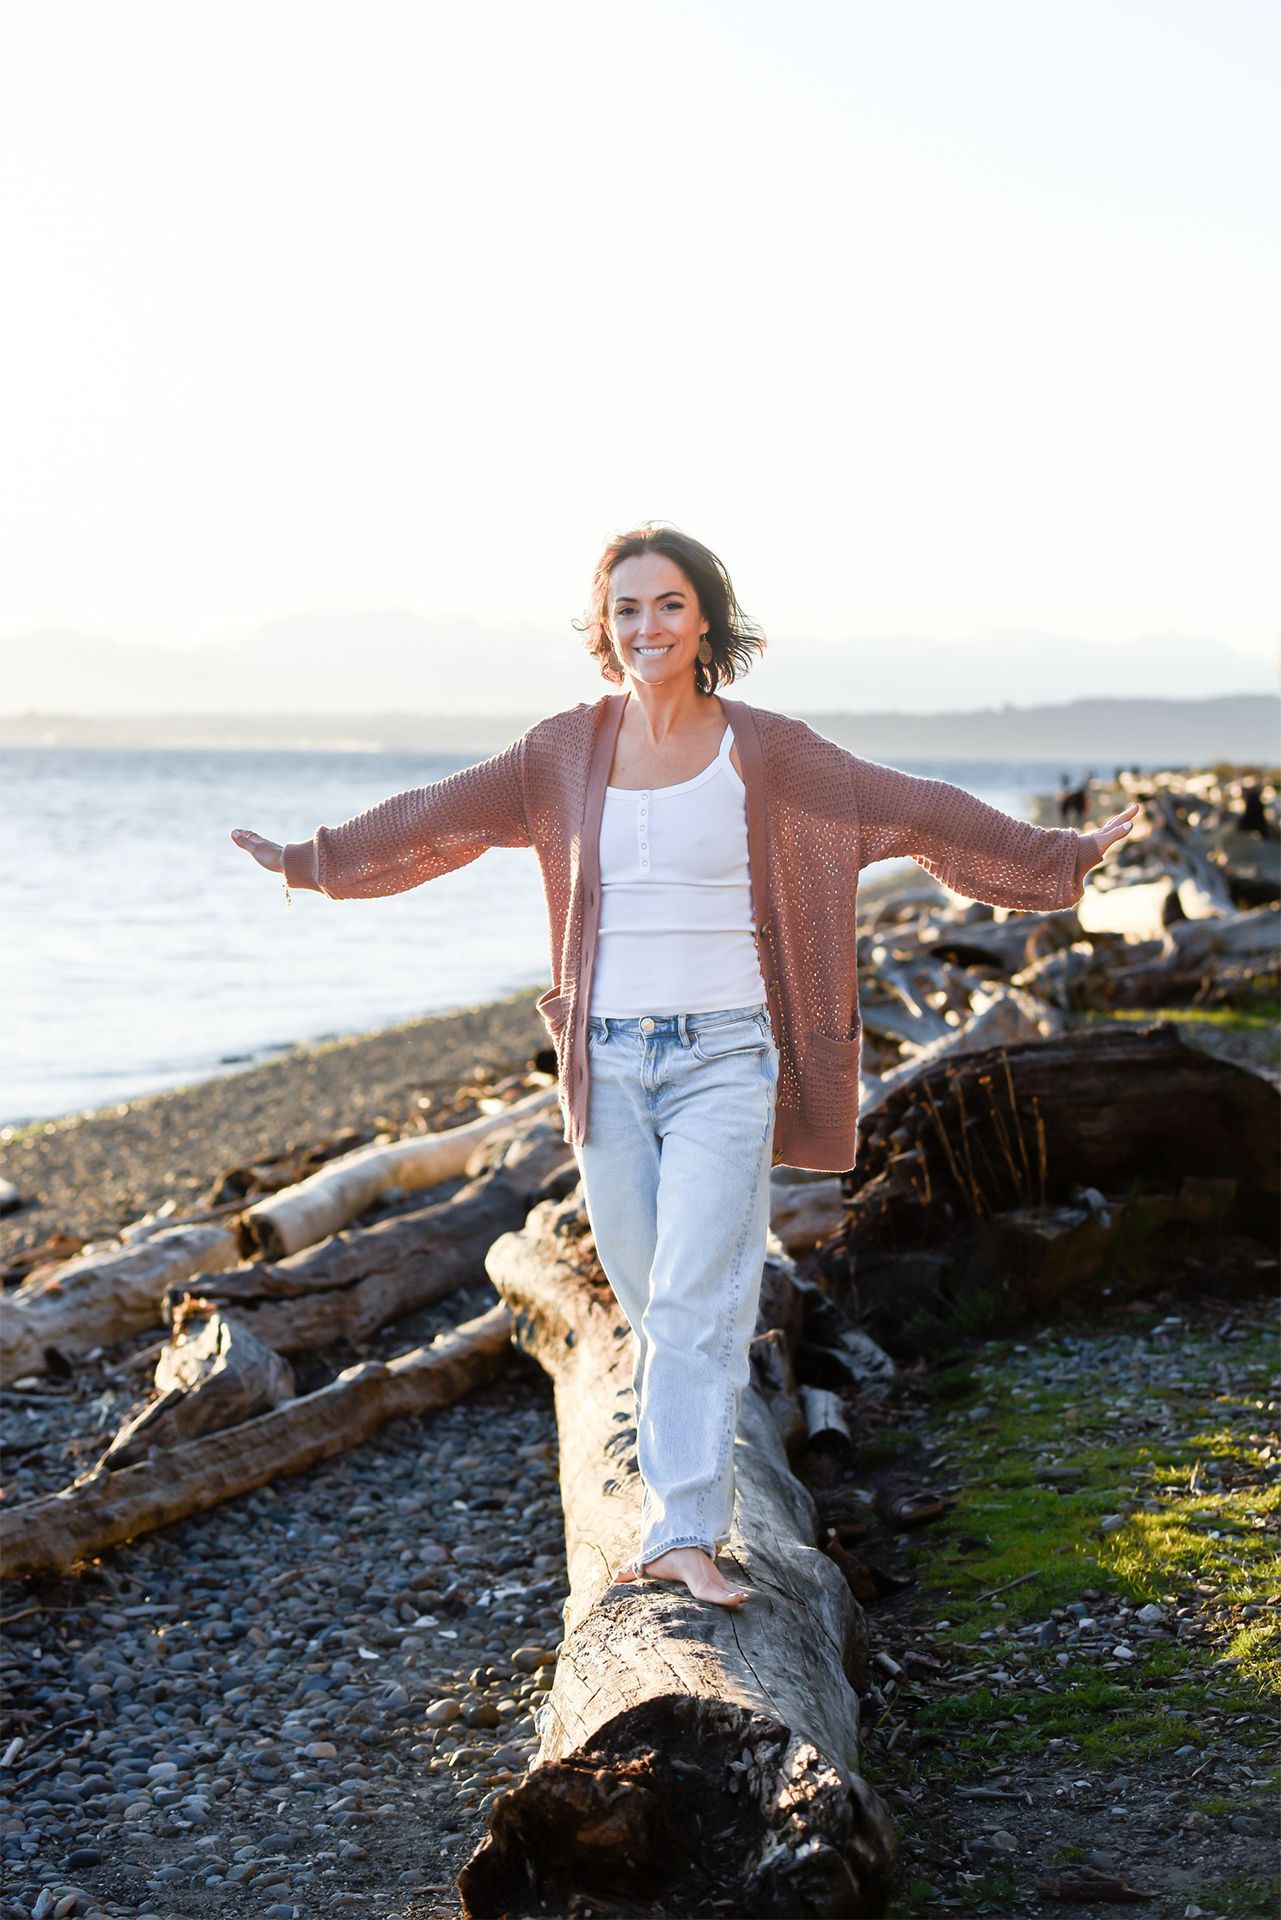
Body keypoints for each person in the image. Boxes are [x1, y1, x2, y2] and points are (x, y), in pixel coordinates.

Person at [231, 522, 1139, 1609]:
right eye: (625, 608)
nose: (645, 627)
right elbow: (437, 819)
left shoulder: (768, 750)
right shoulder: (561, 754)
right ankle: (675, 1511)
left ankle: (684, 1532)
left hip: (725, 1054)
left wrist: (1060, 857)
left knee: (701, 1295)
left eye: (667, 605)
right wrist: (310, 863)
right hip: (605, 1060)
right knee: (653, 1296)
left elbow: (911, 807)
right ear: (602, 626)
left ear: (705, 617)